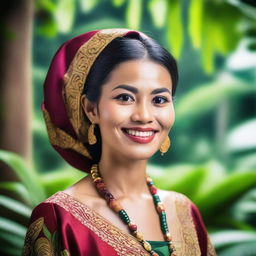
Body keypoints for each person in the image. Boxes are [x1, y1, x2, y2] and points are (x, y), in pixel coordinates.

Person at [22, 28, 216, 256]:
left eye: (160, 99)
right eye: (125, 97)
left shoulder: (184, 211)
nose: (144, 116)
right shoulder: (58, 216)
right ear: (91, 109)